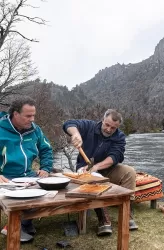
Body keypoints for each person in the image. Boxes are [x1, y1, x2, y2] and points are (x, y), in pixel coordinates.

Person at [63, 109, 138, 236]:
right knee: (93, 178)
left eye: (113, 128)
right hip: (84, 169)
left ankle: (126, 213)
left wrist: (97, 166)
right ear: (103, 120)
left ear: (117, 127)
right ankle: (103, 219)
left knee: (129, 172)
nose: (109, 129)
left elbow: (115, 156)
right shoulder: (89, 126)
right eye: (107, 125)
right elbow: (68, 124)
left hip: (108, 168)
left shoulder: (119, 137)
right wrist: (75, 134)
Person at [0, 96, 53, 242]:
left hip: (28, 175)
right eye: (28, 116)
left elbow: (46, 149)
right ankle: (12, 227)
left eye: (33, 115)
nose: (32, 119)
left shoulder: (35, 130)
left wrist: (46, 168)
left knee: (52, 190)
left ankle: (25, 223)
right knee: (21, 197)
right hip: (5, 177)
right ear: (15, 114)